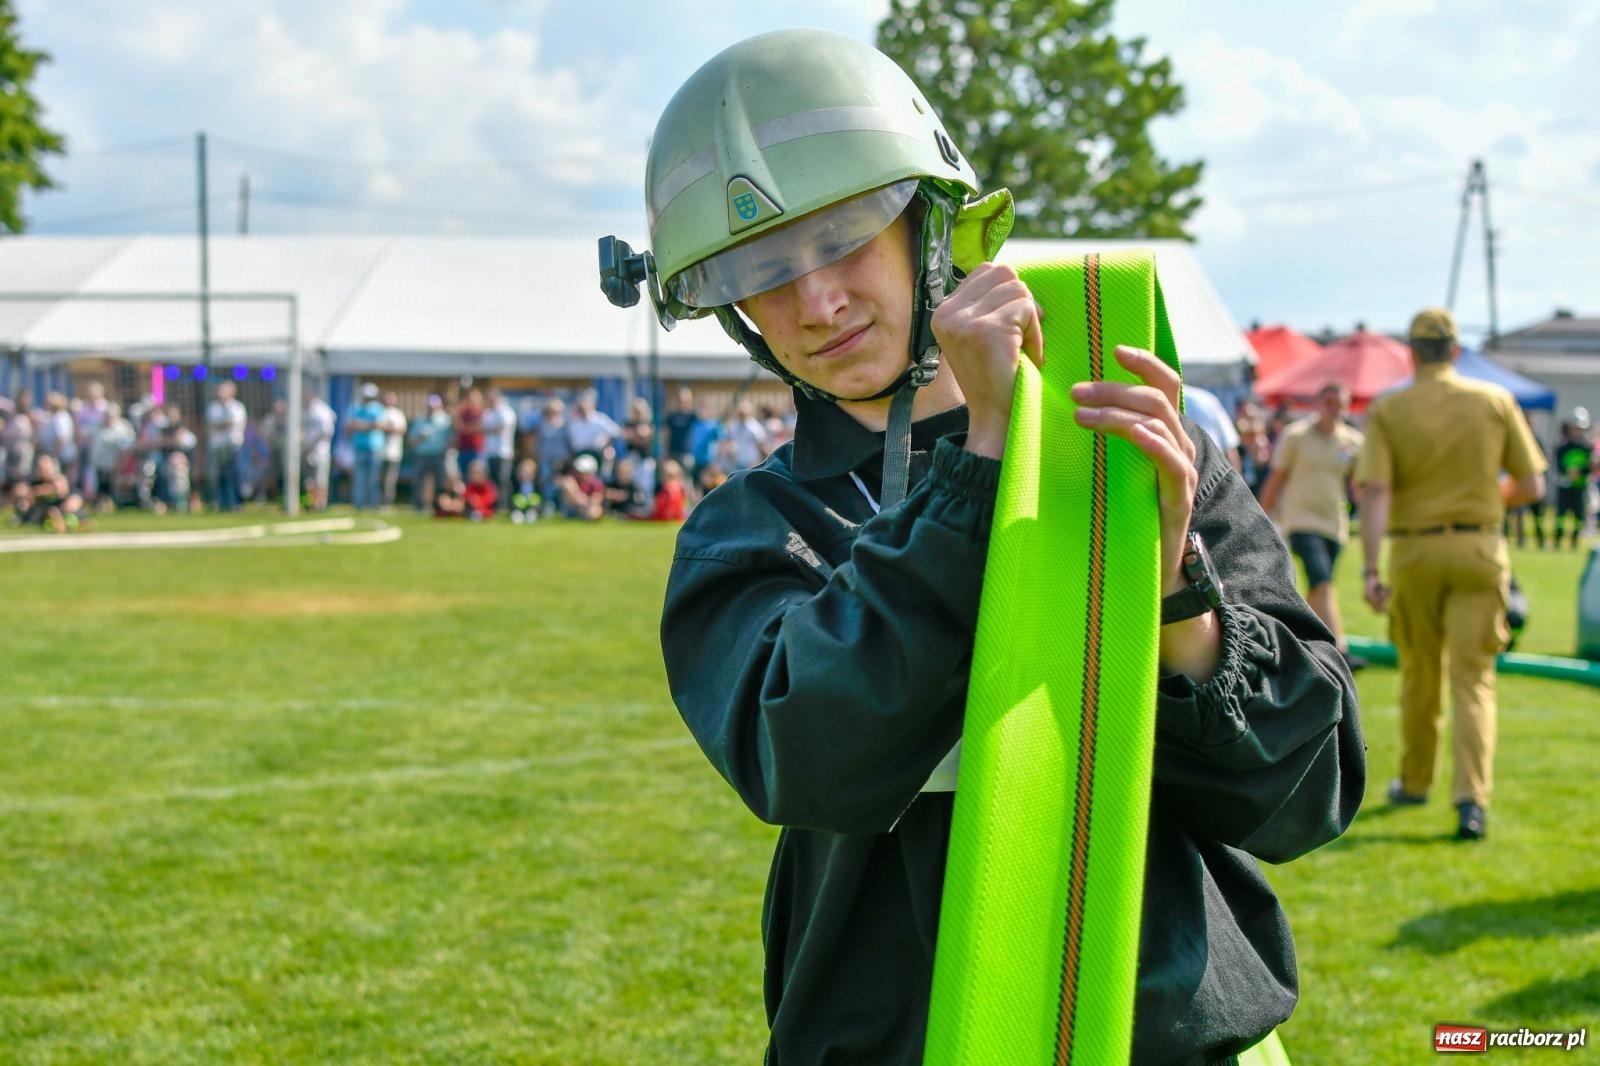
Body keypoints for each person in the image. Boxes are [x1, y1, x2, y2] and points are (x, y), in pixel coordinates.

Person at [612, 30, 1363, 1065]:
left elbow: (1305, 794)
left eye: (842, 238)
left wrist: (1175, 600)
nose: (814, 302)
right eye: (759, 271)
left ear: (932, 223)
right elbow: (810, 758)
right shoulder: (750, 528)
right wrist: (980, 469)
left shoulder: (1133, 435)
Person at [1358, 308, 1546, 841]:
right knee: (1474, 681)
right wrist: (1490, 500)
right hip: (1480, 549)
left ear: (1411, 352)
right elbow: (1531, 485)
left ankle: (1415, 781)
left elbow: (1376, 492)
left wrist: (1371, 568)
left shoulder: (1390, 409)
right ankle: (1471, 803)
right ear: (1456, 351)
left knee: (1420, 675)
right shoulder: (1494, 401)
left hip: (1414, 552)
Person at [1259, 383, 1365, 668]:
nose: (1334, 408)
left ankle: (1298, 640)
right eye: (1329, 401)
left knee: (1320, 588)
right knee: (1322, 581)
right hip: (1300, 520)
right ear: (1319, 404)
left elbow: (1357, 484)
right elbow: (1276, 477)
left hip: (1335, 523)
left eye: (1340, 403)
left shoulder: (1353, 442)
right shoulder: (1296, 437)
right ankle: (1339, 650)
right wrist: (1260, 516)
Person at [204, 380, 248, 512]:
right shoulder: (213, 407)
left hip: (233, 447)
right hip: (217, 448)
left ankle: (235, 503)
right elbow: (211, 426)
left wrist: (220, 425)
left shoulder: (237, 407)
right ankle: (222, 503)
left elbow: (235, 424)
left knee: (233, 475)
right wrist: (225, 424)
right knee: (220, 476)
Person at [1552, 418, 1594, 549]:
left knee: (1578, 515)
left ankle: (1574, 541)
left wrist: (1579, 471)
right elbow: (1559, 465)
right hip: (1564, 486)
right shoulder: (1563, 446)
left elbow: (1590, 466)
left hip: (1580, 486)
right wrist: (1568, 471)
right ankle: (1558, 540)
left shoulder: (1587, 447)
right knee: (1561, 515)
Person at [344, 383, 386, 511]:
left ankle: (372, 504)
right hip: (359, 448)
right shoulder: (354, 407)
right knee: (359, 479)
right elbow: (350, 426)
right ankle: (359, 504)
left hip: (375, 449)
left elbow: (380, 425)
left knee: (373, 479)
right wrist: (370, 425)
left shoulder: (378, 408)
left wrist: (361, 425)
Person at [407, 394, 453, 512]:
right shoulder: (420, 420)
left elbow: (451, 439)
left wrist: (446, 448)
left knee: (439, 482)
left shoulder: (446, 420)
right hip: (422, 455)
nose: (432, 408)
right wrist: (420, 437)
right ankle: (418, 505)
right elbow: (411, 441)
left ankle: (437, 505)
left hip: (438, 455)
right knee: (418, 481)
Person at [302, 389, 337, 512]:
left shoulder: (322, 411)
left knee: (320, 480)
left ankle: (320, 504)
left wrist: (312, 444)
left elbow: (327, 431)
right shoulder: (306, 411)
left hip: (320, 452)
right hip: (308, 452)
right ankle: (311, 504)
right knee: (309, 480)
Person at [482, 387, 517, 508]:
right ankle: (495, 505)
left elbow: (500, 429)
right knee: (492, 481)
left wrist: (486, 430)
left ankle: (505, 505)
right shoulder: (488, 413)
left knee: (503, 480)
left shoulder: (506, 411)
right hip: (490, 452)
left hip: (503, 452)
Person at [377, 390, 408, 510]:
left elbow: (401, 430)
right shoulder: (379, 412)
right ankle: (375, 502)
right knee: (377, 479)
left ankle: (386, 503)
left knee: (389, 480)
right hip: (378, 452)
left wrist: (386, 428)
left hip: (393, 452)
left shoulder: (398, 414)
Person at [455, 387, 486, 476]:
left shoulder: (482, 413)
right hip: (463, 449)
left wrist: (467, 429)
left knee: (478, 475)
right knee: (464, 475)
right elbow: (458, 426)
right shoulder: (462, 413)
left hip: (477, 450)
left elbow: (479, 428)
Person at [509, 458, 542, 524]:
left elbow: (540, 499)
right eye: (522, 471)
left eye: (527, 472)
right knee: (516, 517)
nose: (524, 474)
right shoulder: (514, 484)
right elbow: (511, 498)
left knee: (531, 516)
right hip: (519, 509)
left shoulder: (537, 484)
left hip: (532, 508)